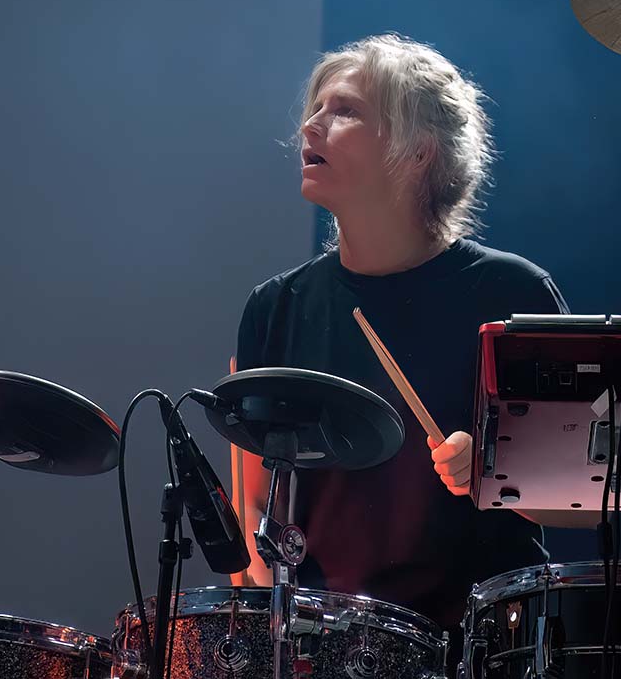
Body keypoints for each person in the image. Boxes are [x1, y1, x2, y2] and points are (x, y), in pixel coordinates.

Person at [234, 33, 569, 639]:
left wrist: (495, 472)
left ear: (418, 151)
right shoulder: (274, 308)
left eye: (345, 110)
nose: (310, 125)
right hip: (321, 645)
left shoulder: (512, 294)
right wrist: (280, 627)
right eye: (315, 107)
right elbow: (253, 509)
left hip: (480, 645)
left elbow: (585, 501)